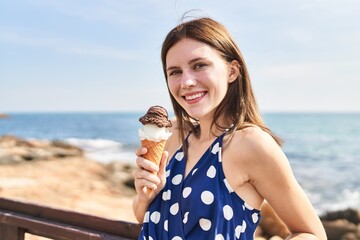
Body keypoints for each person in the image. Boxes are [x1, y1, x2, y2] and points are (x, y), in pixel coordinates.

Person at [133, 16, 327, 240]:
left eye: (199, 65)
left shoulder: (250, 143)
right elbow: (146, 220)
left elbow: (312, 234)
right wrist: (145, 196)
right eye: (175, 71)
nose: (186, 82)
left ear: (232, 71)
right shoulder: (171, 135)